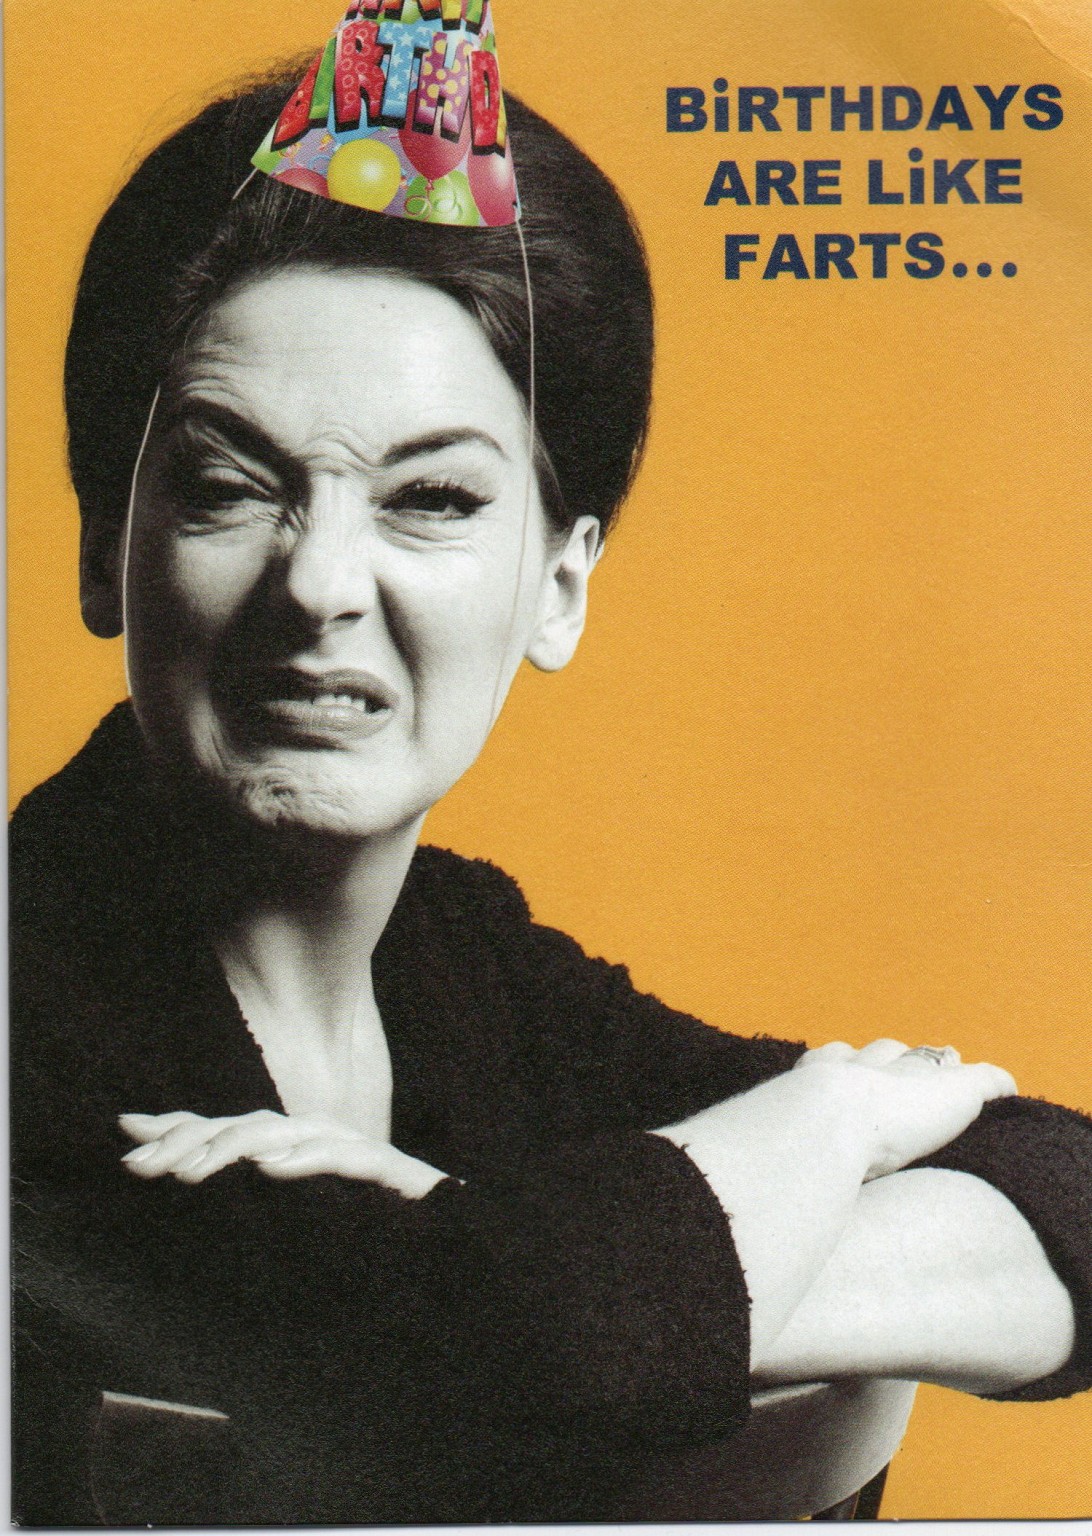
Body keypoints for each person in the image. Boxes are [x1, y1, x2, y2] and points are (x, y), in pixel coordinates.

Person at [11, 68, 1092, 1526]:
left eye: (432, 500)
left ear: (558, 588)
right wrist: (829, 1123)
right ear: (104, 547)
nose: (319, 583)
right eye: (226, 485)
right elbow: (518, 1360)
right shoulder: (31, 1005)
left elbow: (1069, 1190)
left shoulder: (465, 966)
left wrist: (501, 1254)